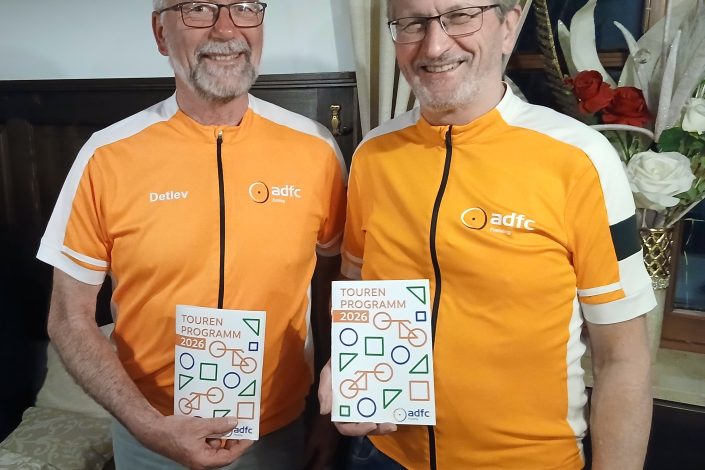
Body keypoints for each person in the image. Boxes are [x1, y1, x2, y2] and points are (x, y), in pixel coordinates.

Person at [319, 0, 655, 468]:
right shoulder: (372, 155)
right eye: (413, 23)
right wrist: (346, 364)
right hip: (383, 454)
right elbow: (358, 288)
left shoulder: (581, 159)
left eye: (460, 16)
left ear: (509, 25)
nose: (434, 46)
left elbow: (623, 358)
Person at [37, 1, 346, 469]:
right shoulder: (106, 156)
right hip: (149, 440)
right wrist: (145, 425)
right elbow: (67, 316)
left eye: (244, 8)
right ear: (161, 34)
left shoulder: (316, 148)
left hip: (277, 436)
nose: (226, 29)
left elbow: (336, 286)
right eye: (199, 8)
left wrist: (328, 417)